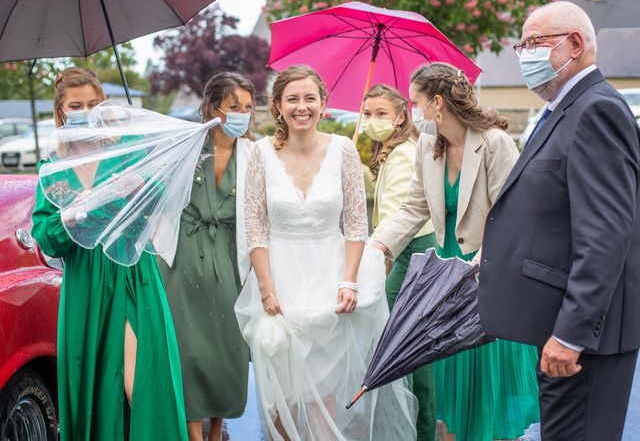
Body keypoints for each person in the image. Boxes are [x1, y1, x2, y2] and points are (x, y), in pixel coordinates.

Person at [479, 1, 640, 440]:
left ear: (574, 44)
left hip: (583, 340)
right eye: (521, 45)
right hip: (556, 324)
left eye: (535, 43)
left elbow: (605, 235)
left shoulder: (595, 110)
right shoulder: (567, 109)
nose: (524, 55)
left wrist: (571, 335)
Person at [235, 64, 417, 440]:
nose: (302, 107)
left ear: (323, 104)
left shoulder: (344, 149)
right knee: (282, 392)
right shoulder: (260, 153)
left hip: (331, 278)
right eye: (293, 99)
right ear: (278, 106)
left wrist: (349, 281)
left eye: (309, 98)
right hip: (279, 277)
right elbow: (254, 228)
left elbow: (355, 223)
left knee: (326, 388)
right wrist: (267, 289)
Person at [372, 62, 540, 441]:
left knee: (485, 394)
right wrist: (378, 246)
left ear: (435, 103)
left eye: (415, 103)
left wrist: (480, 265)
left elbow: (510, 216)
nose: (412, 113)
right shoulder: (427, 146)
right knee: (449, 388)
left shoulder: (494, 142)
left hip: (489, 272)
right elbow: (414, 207)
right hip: (448, 276)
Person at [31, 67, 188, 440]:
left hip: (131, 276)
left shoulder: (128, 153)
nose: (85, 111)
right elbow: (49, 241)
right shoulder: (52, 171)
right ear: (62, 113)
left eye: (92, 104)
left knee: (143, 387)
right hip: (85, 287)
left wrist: (140, 183)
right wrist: (70, 215)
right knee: (96, 388)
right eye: (76, 106)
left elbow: (159, 199)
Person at [159, 72, 253, 441]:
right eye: (234, 107)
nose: (243, 114)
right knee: (189, 348)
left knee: (229, 345)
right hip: (183, 257)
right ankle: (193, 431)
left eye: (247, 107)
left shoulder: (254, 154)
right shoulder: (186, 145)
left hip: (231, 258)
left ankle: (218, 427)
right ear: (214, 109)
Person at [363, 83, 437, 441]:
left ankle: (418, 431)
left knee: (402, 344)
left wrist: (381, 257)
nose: (373, 120)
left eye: (381, 114)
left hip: (406, 253)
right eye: (368, 113)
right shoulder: (392, 153)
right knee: (407, 345)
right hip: (402, 249)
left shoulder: (406, 154)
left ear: (400, 117)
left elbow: (398, 213)